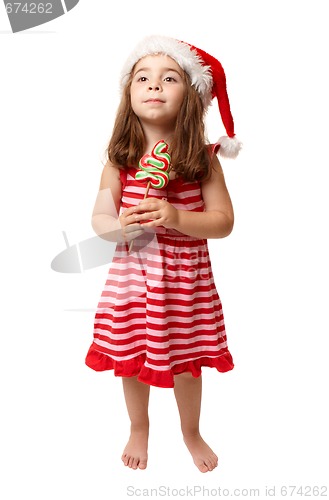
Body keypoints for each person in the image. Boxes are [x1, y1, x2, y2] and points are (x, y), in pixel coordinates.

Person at [85, 35, 242, 473]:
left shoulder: (202, 160)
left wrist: (175, 216)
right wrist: (119, 227)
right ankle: (139, 426)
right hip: (134, 282)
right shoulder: (120, 162)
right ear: (129, 93)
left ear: (191, 96)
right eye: (143, 77)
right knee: (132, 360)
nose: (154, 85)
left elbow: (223, 221)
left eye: (169, 78)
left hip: (185, 285)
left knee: (187, 364)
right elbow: (99, 216)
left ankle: (190, 431)